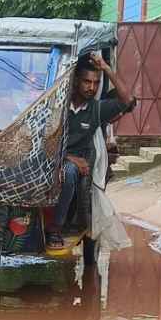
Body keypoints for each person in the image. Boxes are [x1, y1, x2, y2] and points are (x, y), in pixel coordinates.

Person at [53, 51, 132, 245]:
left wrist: (106, 68)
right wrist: (68, 157)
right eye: (87, 82)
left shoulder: (97, 109)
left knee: (70, 172)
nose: (92, 87)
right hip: (51, 159)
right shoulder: (57, 105)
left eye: (96, 83)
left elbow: (127, 100)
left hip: (78, 167)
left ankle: (55, 227)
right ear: (77, 81)